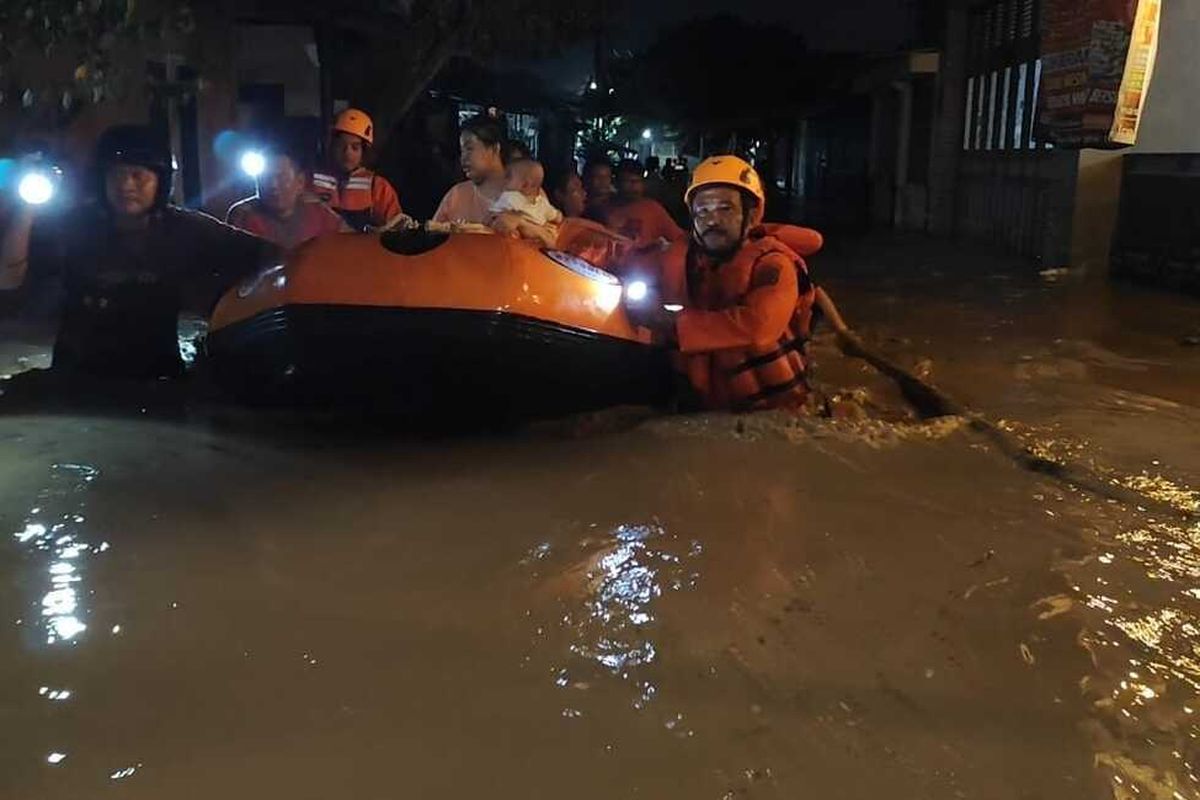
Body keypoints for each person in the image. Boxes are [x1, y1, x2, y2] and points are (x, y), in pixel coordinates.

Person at [0, 125, 278, 381]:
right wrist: (25, 210)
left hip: (156, 378)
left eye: (138, 175)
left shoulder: (185, 227)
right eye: (116, 175)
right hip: (79, 377)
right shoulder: (76, 225)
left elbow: (266, 255)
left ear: (160, 181)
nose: (126, 185)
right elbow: (10, 280)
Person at [628, 155, 816, 412]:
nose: (712, 220)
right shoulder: (679, 258)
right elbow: (630, 266)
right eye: (702, 211)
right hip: (703, 408)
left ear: (751, 215)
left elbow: (758, 328)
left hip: (776, 413)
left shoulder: (774, 264)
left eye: (725, 208)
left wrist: (672, 324)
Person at [226, 145, 348, 250]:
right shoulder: (243, 216)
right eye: (265, 178)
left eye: (282, 178)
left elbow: (351, 241)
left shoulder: (318, 212)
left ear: (300, 182)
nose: (273, 185)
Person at [310, 108, 403, 231]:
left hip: (362, 250)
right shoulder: (309, 180)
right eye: (341, 146)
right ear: (331, 146)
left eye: (355, 147)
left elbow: (397, 230)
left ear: (364, 151)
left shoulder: (378, 188)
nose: (347, 153)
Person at [433, 113, 510, 226]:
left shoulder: (528, 190)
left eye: (469, 148)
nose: (463, 158)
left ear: (494, 149)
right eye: (462, 151)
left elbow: (544, 238)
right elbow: (433, 235)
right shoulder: (456, 196)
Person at [603, 158, 686, 254]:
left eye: (637, 181)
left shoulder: (653, 209)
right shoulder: (604, 208)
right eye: (628, 181)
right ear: (616, 182)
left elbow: (678, 239)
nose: (633, 186)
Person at [490, 159, 563, 247]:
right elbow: (557, 217)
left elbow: (495, 214)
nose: (503, 181)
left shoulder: (510, 196)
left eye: (508, 177)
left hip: (521, 235)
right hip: (538, 238)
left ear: (525, 185)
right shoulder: (542, 203)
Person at [581, 158, 615, 224]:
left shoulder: (618, 202)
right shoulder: (580, 203)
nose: (603, 181)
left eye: (606, 177)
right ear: (587, 178)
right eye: (598, 177)